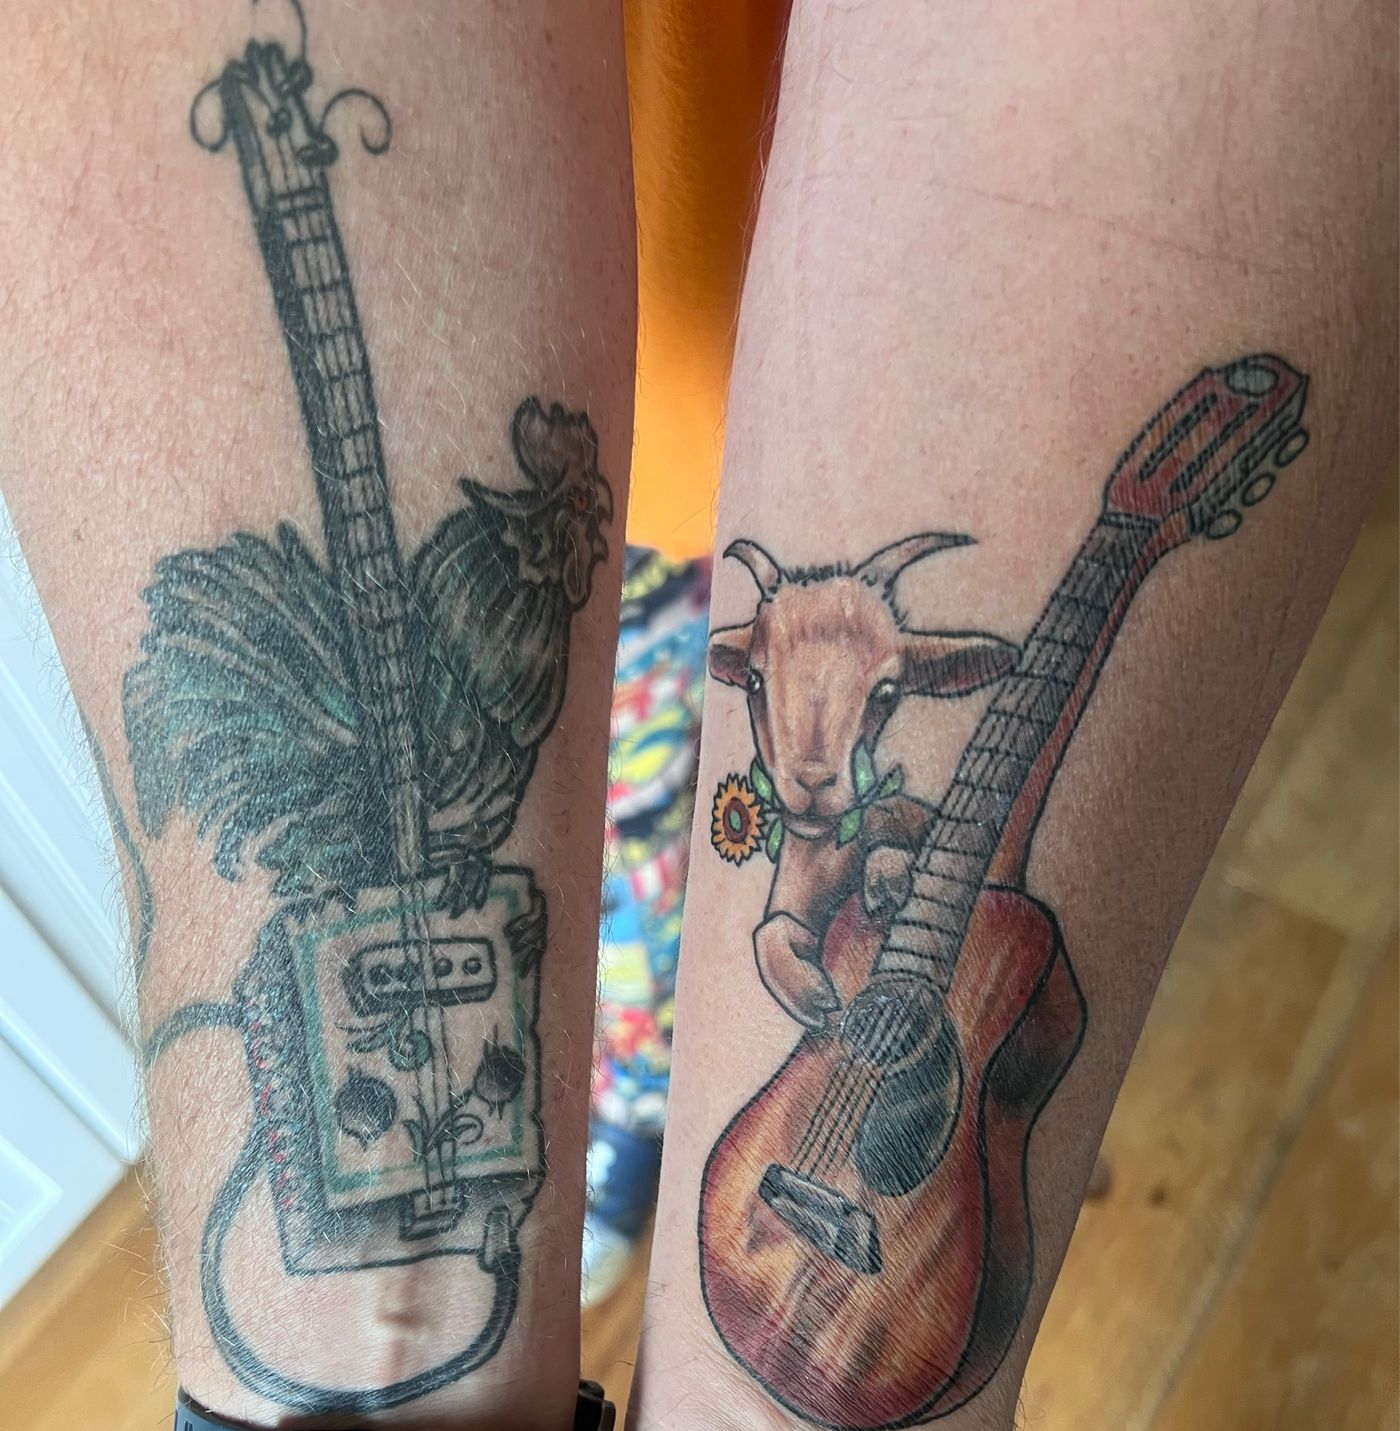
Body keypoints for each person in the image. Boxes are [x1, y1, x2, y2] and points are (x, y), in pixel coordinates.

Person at [0, 3, 1393, 1430]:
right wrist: (375, 1363)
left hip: (919, 320)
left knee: (649, 881)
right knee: (602, 885)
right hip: (609, 372)